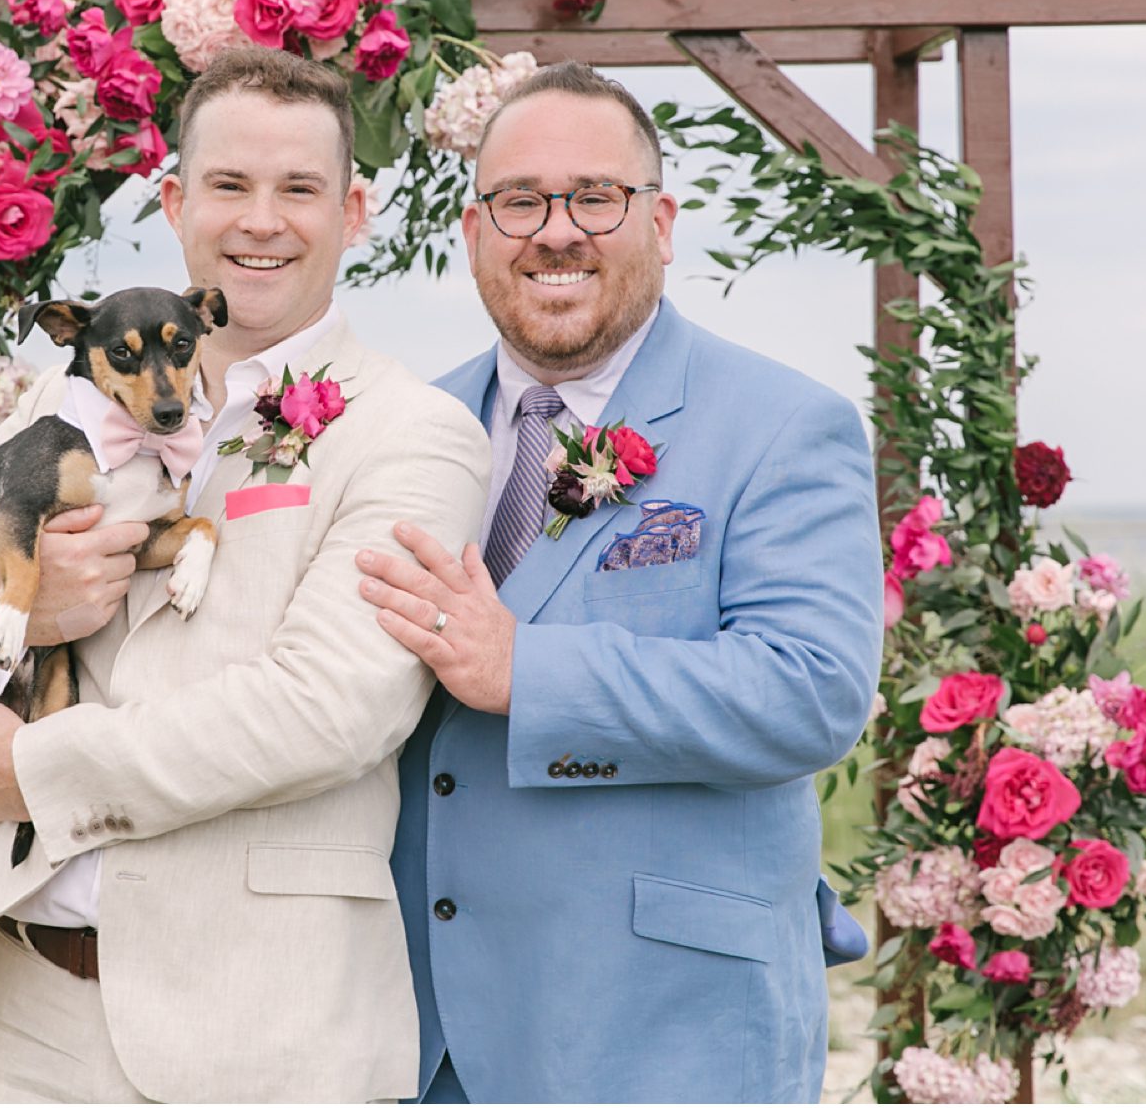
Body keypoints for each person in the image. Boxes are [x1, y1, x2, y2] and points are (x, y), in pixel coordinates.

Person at [0, 45, 491, 1104]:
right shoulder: (66, 396)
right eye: (227, 185)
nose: (258, 221)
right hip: (23, 1007)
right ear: (176, 202)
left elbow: (328, 712)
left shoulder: (413, 434)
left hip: (258, 1027)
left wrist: (36, 770)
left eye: (298, 190)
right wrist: (7, 607)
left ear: (354, 211)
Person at [359, 62, 883, 1103]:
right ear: (472, 232)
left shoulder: (782, 425)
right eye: (519, 200)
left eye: (595, 197)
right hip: (419, 1041)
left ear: (661, 221)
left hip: (663, 1038)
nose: (555, 231)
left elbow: (811, 691)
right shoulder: (403, 435)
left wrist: (528, 672)